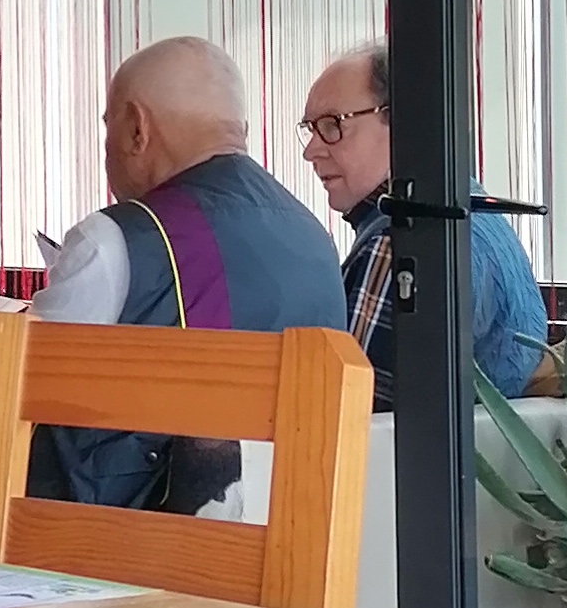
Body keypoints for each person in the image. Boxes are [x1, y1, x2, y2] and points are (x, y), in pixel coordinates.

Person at [28, 34, 346, 510]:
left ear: (137, 128)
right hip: (289, 522)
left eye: (109, 126)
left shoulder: (117, 239)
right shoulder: (314, 237)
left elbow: (20, 384)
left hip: (125, 536)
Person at [300, 36, 547, 404]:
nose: (311, 151)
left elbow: (351, 412)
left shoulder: (402, 238)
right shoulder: (473, 208)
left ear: (403, 123)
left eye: (332, 125)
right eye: (310, 129)